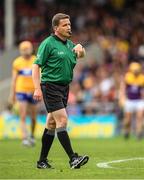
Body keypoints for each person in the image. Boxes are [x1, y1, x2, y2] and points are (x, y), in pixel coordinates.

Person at [32, 13, 89, 169]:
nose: (69, 27)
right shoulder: (48, 44)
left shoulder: (70, 45)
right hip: (50, 86)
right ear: (56, 28)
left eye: (69, 24)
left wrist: (81, 49)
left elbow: (81, 55)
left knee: (51, 123)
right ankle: (73, 158)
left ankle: (42, 161)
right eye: (65, 25)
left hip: (64, 88)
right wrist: (37, 88)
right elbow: (36, 65)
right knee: (62, 120)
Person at [9, 41, 37, 146]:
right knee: (23, 116)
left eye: (27, 48)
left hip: (33, 91)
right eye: (23, 49)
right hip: (21, 91)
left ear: (31, 49)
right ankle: (25, 138)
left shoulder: (36, 60)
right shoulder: (17, 62)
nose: (26, 51)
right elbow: (14, 80)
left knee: (33, 117)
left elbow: (40, 76)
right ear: (20, 50)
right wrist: (12, 95)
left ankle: (32, 136)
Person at [119, 62, 144, 139]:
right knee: (128, 119)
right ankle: (127, 131)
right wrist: (122, 97)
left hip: (139, 100)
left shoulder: (142, 78)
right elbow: (123, 88)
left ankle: (139, 132)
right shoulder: (128, 77)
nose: (136, 71)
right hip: (129, 100)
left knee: (139, 117)